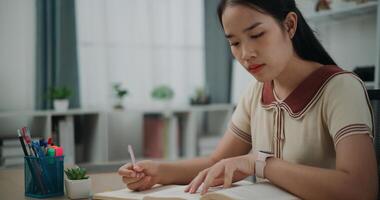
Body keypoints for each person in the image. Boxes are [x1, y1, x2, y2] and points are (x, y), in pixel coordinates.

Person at [118, 0, 378, 199]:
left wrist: (261, 164)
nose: (246, 54)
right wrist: (158, 173)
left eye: (256, 35)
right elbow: (215, 163)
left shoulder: (340, 88)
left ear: (289, 25)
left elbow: (361, 188)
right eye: (234, 42)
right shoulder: (255, 93)